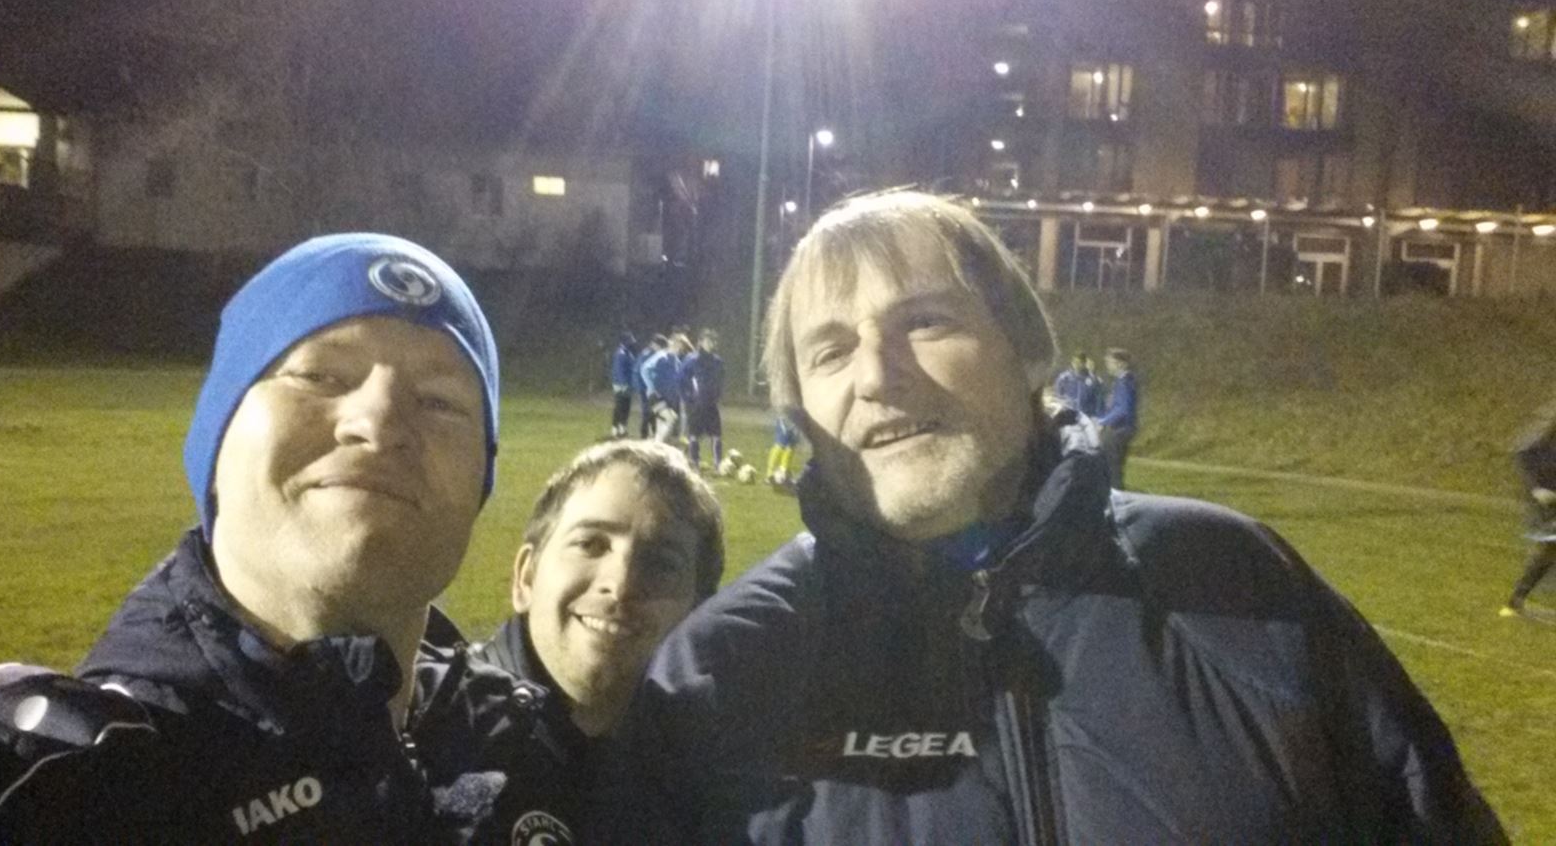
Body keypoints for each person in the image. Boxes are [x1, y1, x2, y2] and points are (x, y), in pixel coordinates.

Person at [600, 191, 1503, 842]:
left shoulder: (1242, 585)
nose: (877, 374)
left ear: (1029, 350)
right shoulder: (723, 670)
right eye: (831, 351)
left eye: (925, 323)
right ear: (800, 412)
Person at [0, 233, 519, 841]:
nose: (379, 423)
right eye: (320, 375)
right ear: (216, 441)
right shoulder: (60, 787)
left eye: (440, 402)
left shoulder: (527, 741)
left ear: (479, 484)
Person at [469, 439, 725, 843]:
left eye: (661, 563)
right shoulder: (429, 741)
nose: (620, 584)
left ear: (700, 615)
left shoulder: (712, 784)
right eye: (591, 544)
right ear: (526, 578)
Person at [1500, 401, 1556, 616]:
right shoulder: (1542, 444)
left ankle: (1518, 597)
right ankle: (1518, 596)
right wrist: (1536, 488)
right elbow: (1523, 455)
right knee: (1549, 552)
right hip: (1548, 505)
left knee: (1549, 553)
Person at [680, 328, 726, 473]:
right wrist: (688, 398)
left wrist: (717, 395)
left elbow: (720, 381)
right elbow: (682, 381)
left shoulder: (718, 362)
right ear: (700, 342)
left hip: (711, 404)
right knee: (694, 435)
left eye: (713, 341)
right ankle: (695, 463)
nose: (712, 343)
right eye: (708, 340)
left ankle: (718, 464)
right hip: (696, 405)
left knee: (716, 434)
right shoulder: (691, 360)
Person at [1096, 346, 1138, 489]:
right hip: (1119, 428)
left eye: (1110, 362)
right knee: (1111, 465)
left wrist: (1103, 421)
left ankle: (1116, 494)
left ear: (1121, 364)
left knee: (1113, 466)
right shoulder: (1120, 381)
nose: (1108, 365)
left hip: (1120, 429)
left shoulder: (1125, 382)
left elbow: (1123, 409)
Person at [641, 334, 689, 445]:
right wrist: (652, 388)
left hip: (670, 400)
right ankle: (656, 445)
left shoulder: (677, 362)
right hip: (657, 397)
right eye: (676, 343)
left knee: (663, 426)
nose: (678, 347)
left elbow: (678, 381)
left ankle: (655, 447)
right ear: (670, 342)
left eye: (680, 346)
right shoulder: (661, 356)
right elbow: (644, 369)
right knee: (669, 419)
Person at [1051, 350, 1102, 417]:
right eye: (1074, 362)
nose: (1076, 365)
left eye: (1079, 362)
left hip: (1086, 415)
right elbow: (1057, 395)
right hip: (1068, 414)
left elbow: (1097, 400)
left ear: (1084, 364)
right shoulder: (1064, 378)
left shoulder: (1092, 380)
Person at [608, 330, 637, 439]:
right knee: (620, 407)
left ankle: (622, 428)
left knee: (626, 407)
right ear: (625, 341)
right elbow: (619, 370)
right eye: (630, 341)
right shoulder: (621, 353)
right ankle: (615, 429)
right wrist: (623, 384)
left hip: (627, 383)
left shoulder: (627, 353)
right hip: (621, 384)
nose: (632, 343)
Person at [764, 414, 804, 486]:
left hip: (795, 416)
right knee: (781, 443)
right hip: (786, 416)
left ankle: (784, 474)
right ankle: (770, 475)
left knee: (790, 445)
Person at [633, 334, 658, 438]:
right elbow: (642, 370)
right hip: (644, 386)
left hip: (642, 385)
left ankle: (651, 432)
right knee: (648, 410)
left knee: (650, 409)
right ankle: (646, 433)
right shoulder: (649, 354)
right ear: (653, 344)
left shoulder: (646, 352)